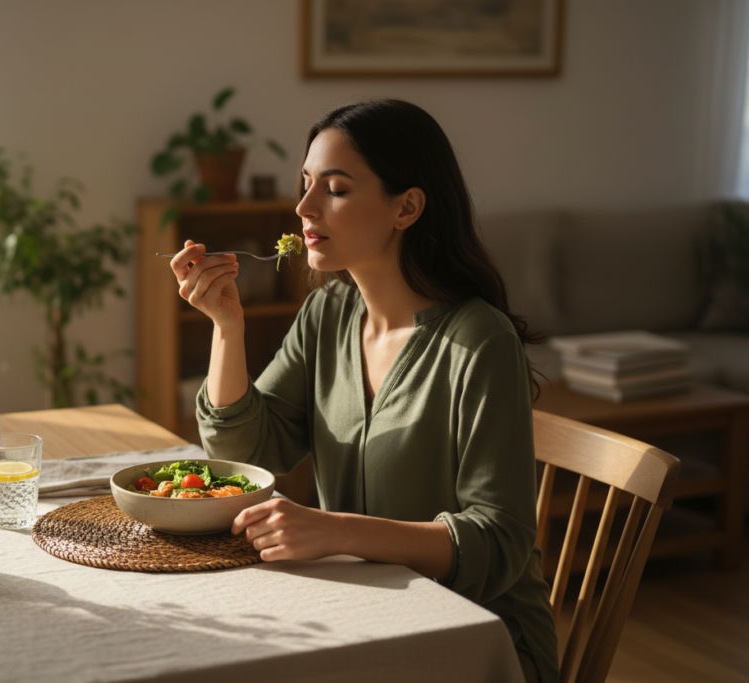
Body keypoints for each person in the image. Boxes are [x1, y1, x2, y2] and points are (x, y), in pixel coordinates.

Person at [167, 99, 558, 683]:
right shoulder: (328, 311)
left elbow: (497, 541)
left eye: (336, 189)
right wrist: (227, 327)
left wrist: (334, 530)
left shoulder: (481, 342)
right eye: (305, 185)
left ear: (407, 207)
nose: (303, 208)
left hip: (479, 637)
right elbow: (246, 456)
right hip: (360, 611)